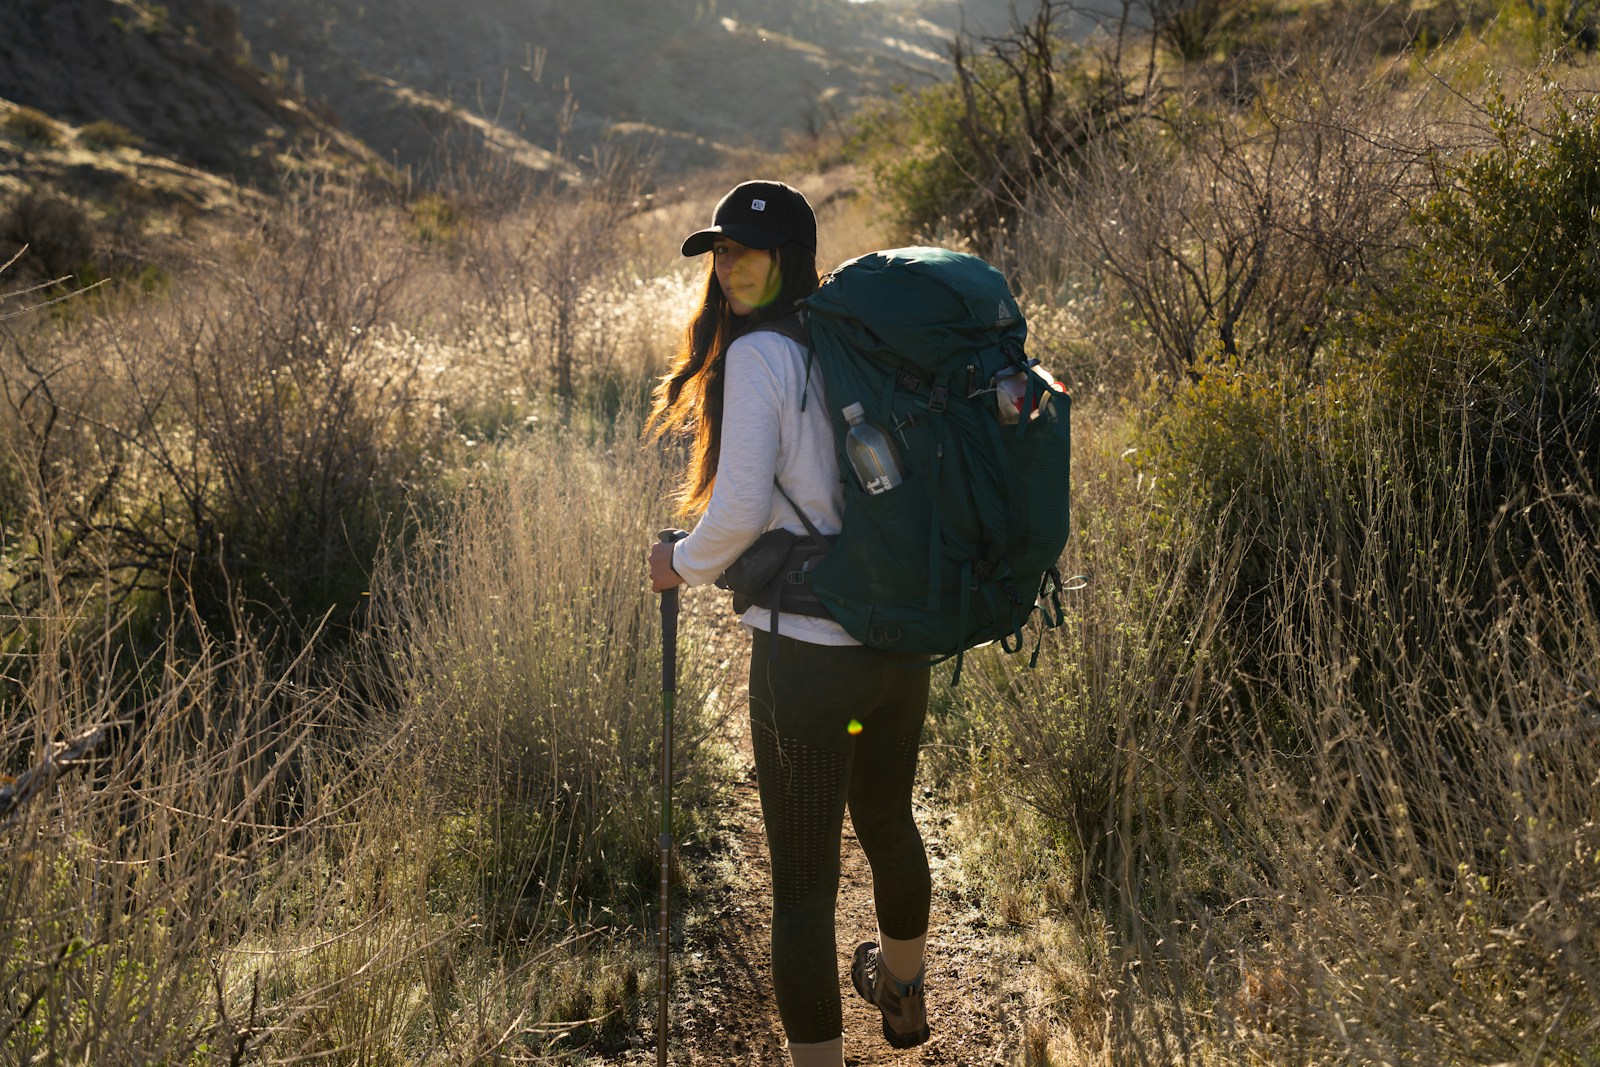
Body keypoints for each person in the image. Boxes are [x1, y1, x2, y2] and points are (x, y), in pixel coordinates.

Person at [645, 180, 934, 1067]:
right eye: (720, 252)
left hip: (807, 662)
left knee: (803, 888)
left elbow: (733, 516)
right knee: (888, 819)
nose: (728, 265)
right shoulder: (855, 344)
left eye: (746, 251)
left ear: (790, 260)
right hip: (895, 643)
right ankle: (903, 993)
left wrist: (678, 563)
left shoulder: (762, 357)